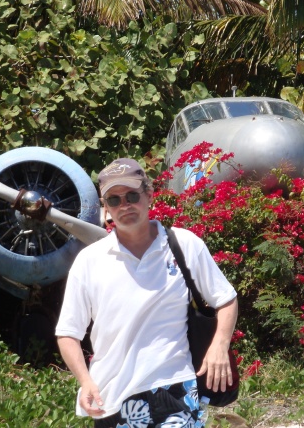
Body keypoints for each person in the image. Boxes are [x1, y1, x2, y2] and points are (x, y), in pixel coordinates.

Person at [55, 158, 238, 428]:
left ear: (149, 194)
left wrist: (219, 346)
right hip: (112, 395)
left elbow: (226, 299)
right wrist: (85, 381)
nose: (124, 205)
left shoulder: (184, 245)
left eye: (132, 195)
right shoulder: (89, 261)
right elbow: (68, 333)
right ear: (106, 207)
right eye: (114, 200)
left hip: (175, 386)